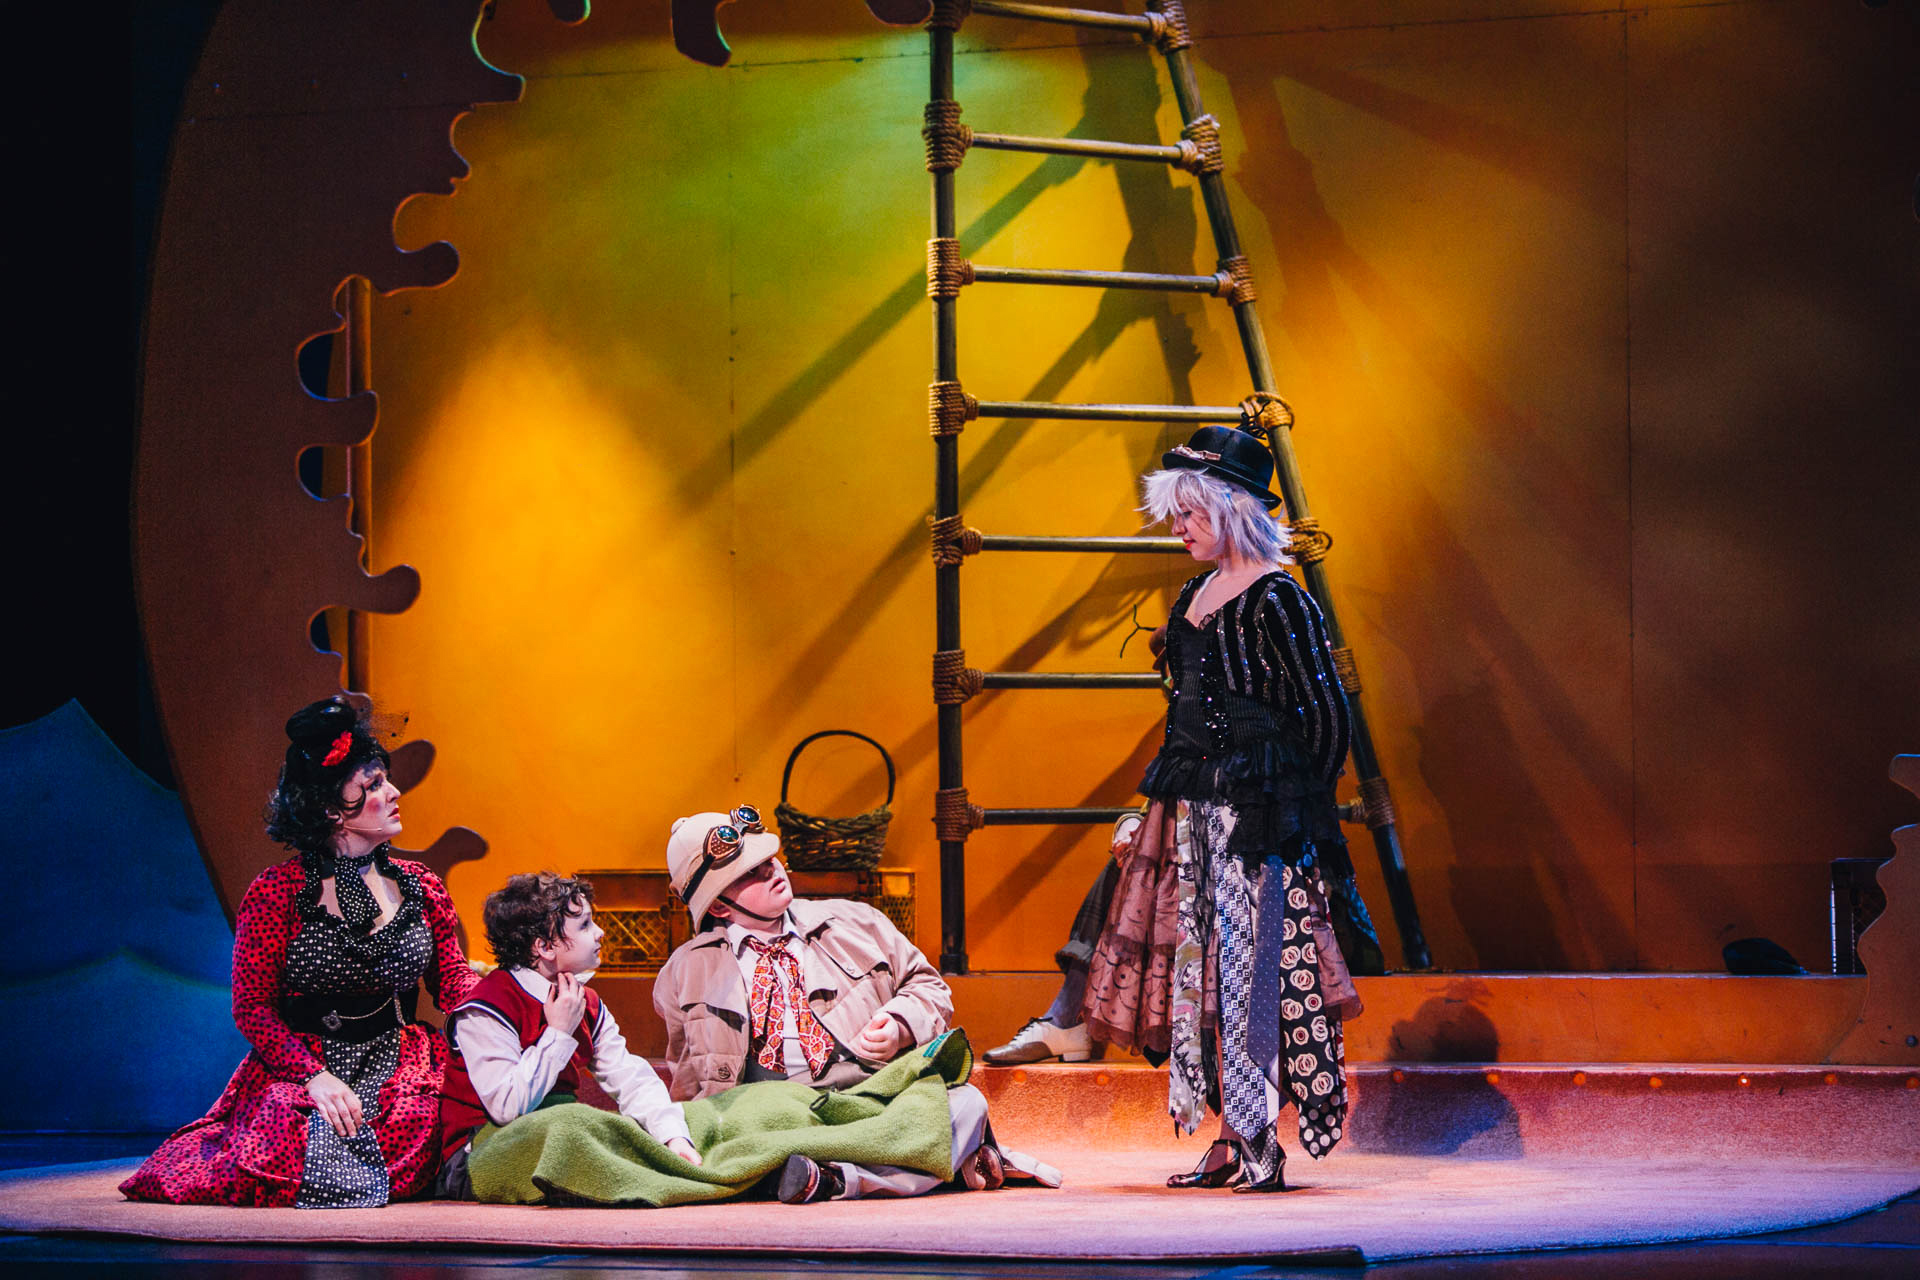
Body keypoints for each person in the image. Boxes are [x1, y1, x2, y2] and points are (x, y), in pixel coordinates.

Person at [1081, 424, 1380, 1193]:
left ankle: (1258, 1140)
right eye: (1176, 514)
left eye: (1191, 513)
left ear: (1233, 509)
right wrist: (1151, 810)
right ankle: (1227, 1135)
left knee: (1257, 975)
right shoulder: (1193, 595)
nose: (1178, 528)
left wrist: (1298, 811)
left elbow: (1327, 716)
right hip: (1193, 802)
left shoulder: (1281, 599)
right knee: (1200, 972)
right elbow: (1181, 711)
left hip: (1261, 811)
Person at [121, 696, 478, 1207]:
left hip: (400, 1057)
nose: (393, 792)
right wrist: (314, 1077)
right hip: (306, 1061)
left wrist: (510, 995)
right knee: (280, 1133)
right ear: (332, 809)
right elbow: (253, 1007)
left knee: (416, 1119)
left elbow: (453, 981)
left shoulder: (420, 885)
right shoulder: (277, 893)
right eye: (374, 784)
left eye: (386, 780)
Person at [654, 807, 1059, 1202]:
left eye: (769, 859)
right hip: (776, 1113)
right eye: (748, 873)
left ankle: (835, 1177)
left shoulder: (856, 922)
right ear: (719, 906)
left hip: (869, 1099)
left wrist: (900, 1024)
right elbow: (690, 1076)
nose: (771, 871)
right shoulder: (685, 972)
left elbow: (929, 986)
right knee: (726, 1127)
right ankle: (924, 1164)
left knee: (963, 1102)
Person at [434, 873, 701, 1200]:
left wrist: (673, 1137)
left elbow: (630, 1077)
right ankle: (661, 1180)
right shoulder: (487, 1006)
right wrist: (558, 1032)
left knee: (693, 1118)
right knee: (578, 1124)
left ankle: (681, 1164)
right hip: (481, 1152)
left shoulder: (585, 1001)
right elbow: (506, 1106)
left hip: (557, 1136)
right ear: (545, 946)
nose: (600, 932)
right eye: (585, 925)